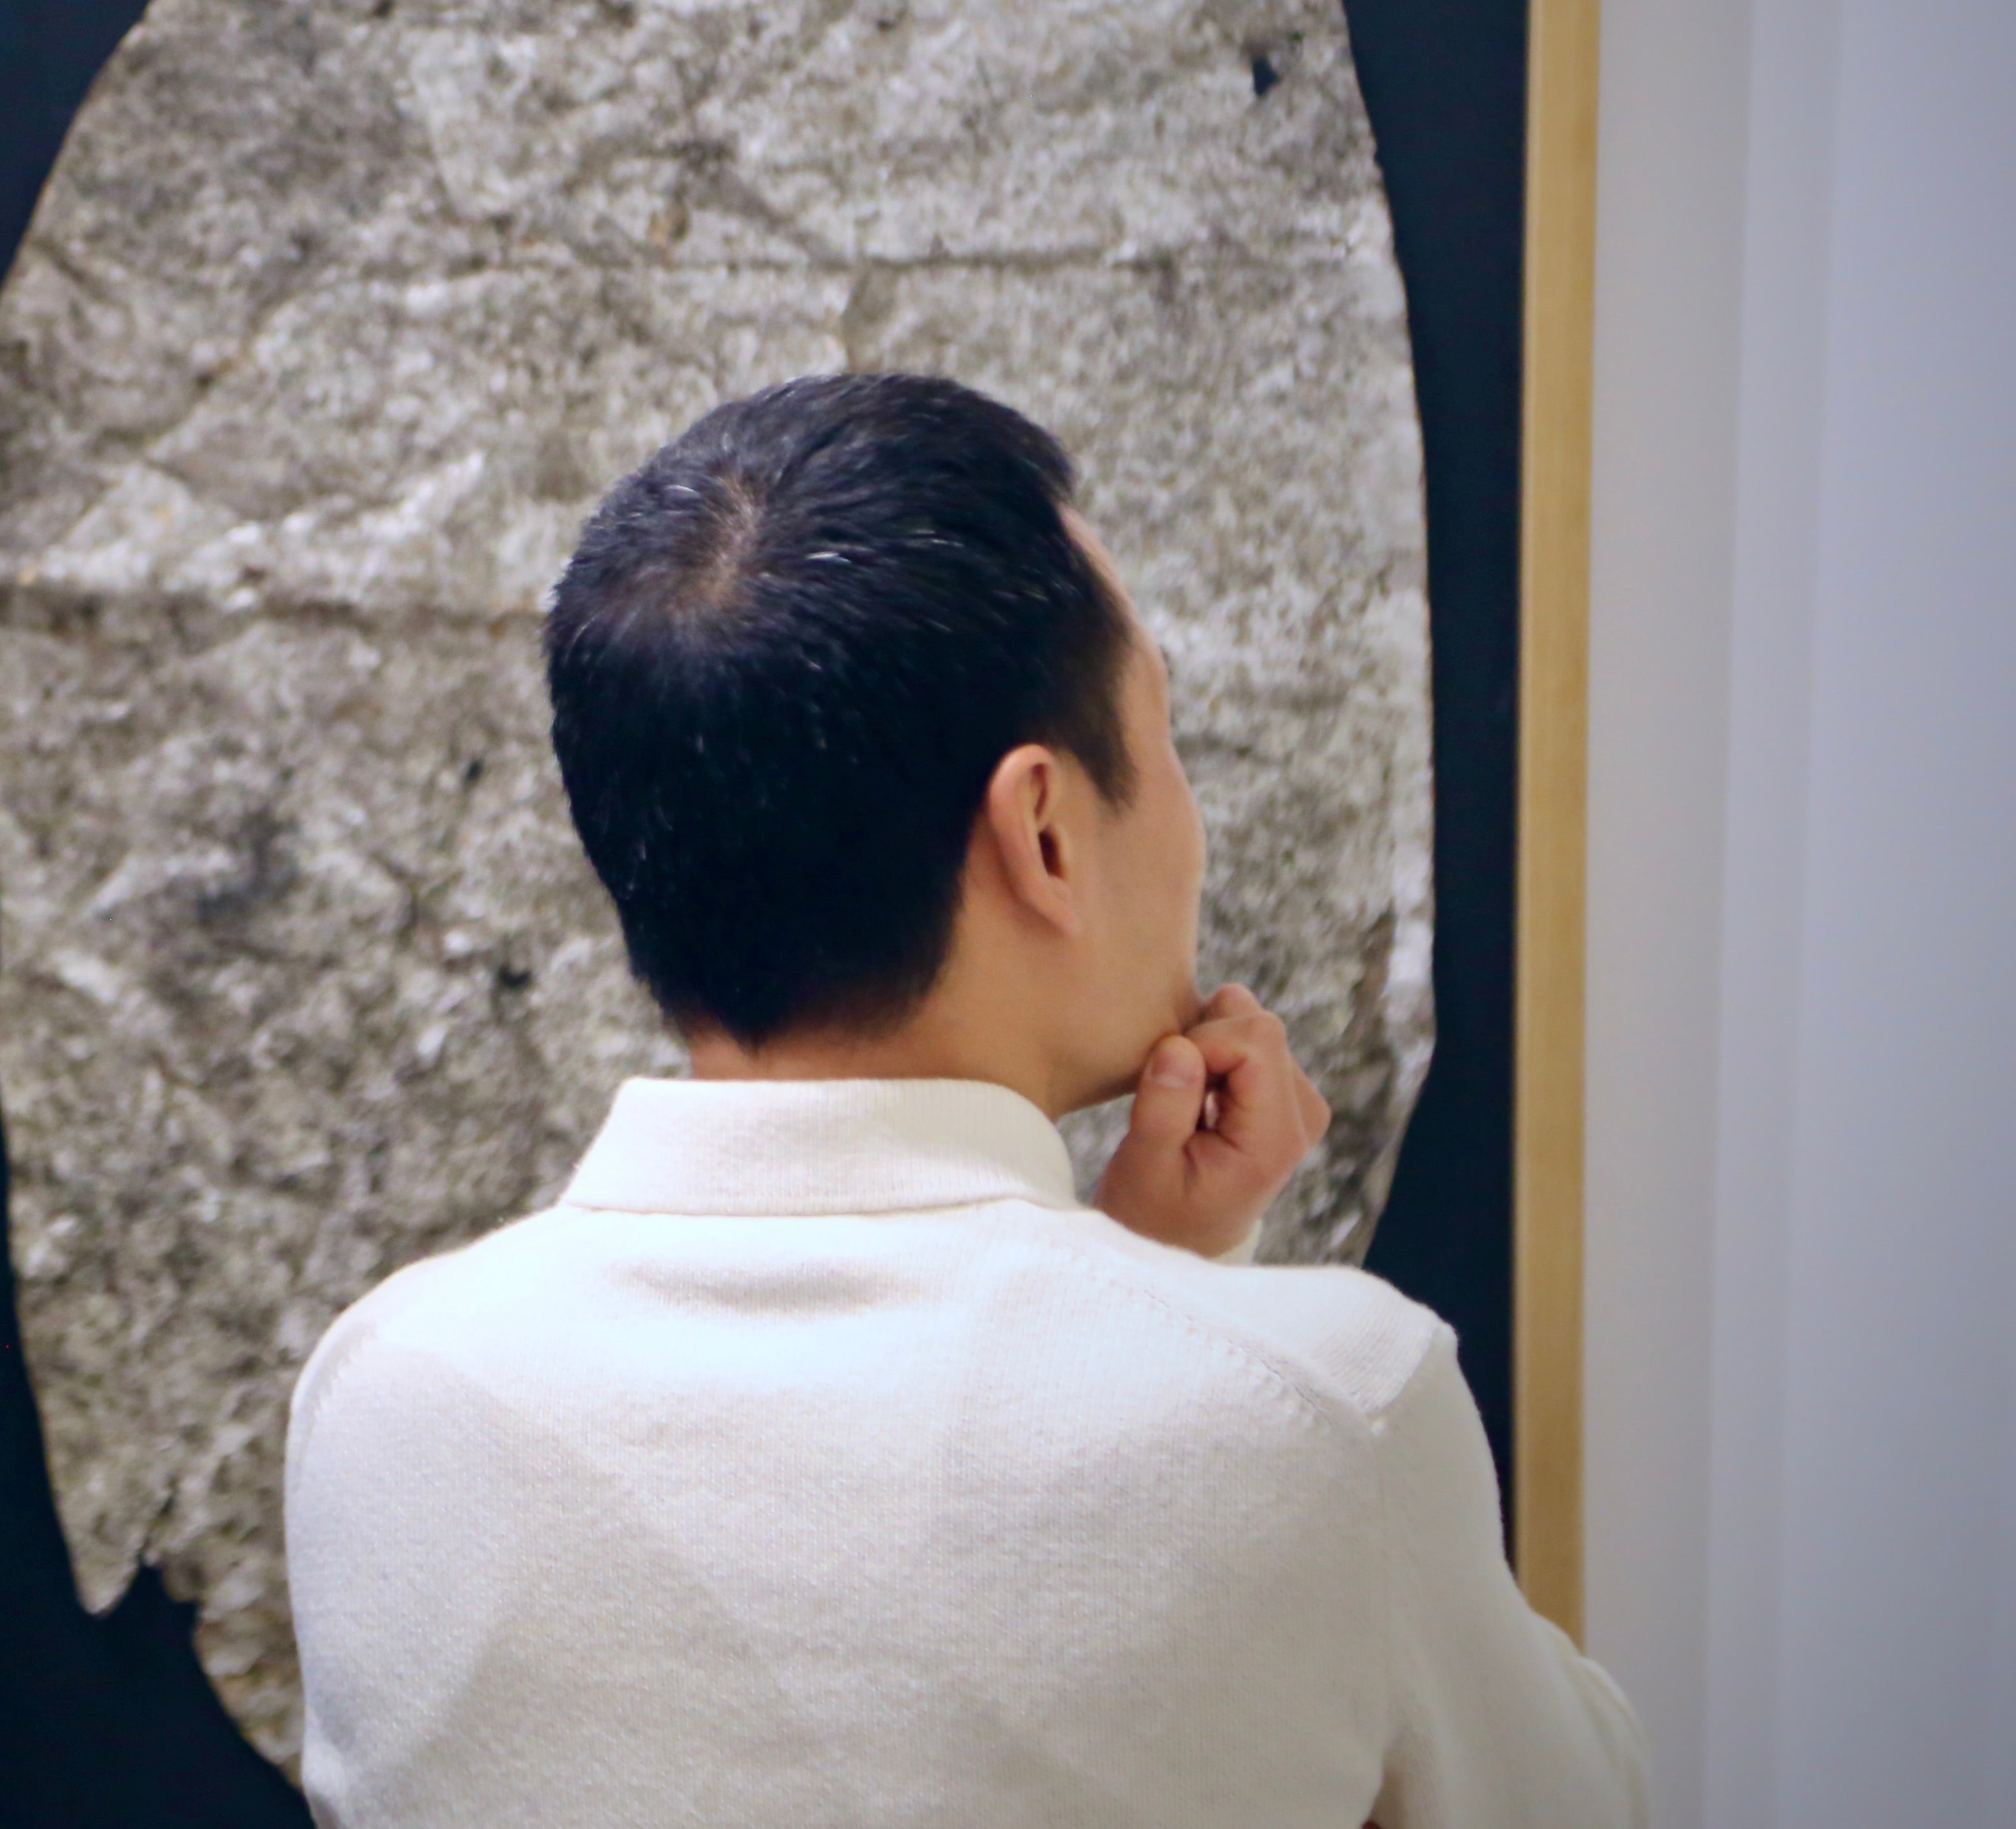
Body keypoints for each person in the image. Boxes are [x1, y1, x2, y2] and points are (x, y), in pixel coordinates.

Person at [283, 375, 1644, 1827]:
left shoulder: (384, 1397)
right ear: (1044, 828)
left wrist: (1143, 1277)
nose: (1189, 819)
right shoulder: (1322, 1417)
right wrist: (1176, 1297)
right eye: (1167, 735)